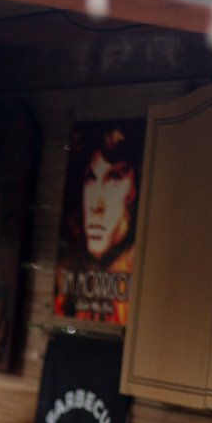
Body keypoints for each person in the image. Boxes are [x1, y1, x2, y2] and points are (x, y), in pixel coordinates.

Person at [54, 121, 144, 325]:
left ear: (135, 192)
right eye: (91, 179)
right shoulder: (63, 277)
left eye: (114, 180)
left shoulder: (140, 285)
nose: (97, 206)